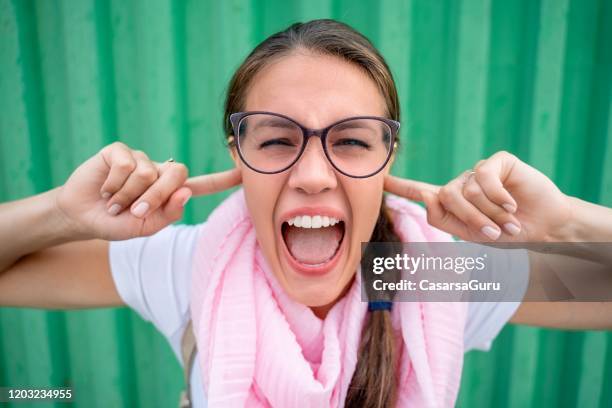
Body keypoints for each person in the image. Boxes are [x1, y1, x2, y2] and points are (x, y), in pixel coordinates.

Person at [1, 19, 611, 408]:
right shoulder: (194, 268)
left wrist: (570, 225)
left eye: (350, 140)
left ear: (387, 157)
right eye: (274, 139)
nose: (314, 175)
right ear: (236, 154)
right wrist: (64, 211)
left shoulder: (425, 275)